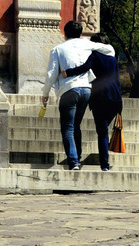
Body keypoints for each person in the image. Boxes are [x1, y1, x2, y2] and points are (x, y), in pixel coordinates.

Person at [41, 20, 115, 170]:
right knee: (76, 125)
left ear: (64, 33)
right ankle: (78, 156)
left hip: (69, 90)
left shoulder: (57, 49)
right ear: (80, 33)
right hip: (86, 89)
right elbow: (110, 50)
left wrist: (45, 93)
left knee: (67, 128)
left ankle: (74, 161)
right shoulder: (87, 44)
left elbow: (51, 74)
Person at [64, 33, 123, 171]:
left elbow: (85, 68)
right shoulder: (113, 58)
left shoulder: (95, 55)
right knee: (104, 130)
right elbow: (118, 80)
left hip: (100, 96)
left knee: (102, 133)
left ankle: (105, 165)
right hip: (115, 97)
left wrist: (68, 72)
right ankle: (105, 164)